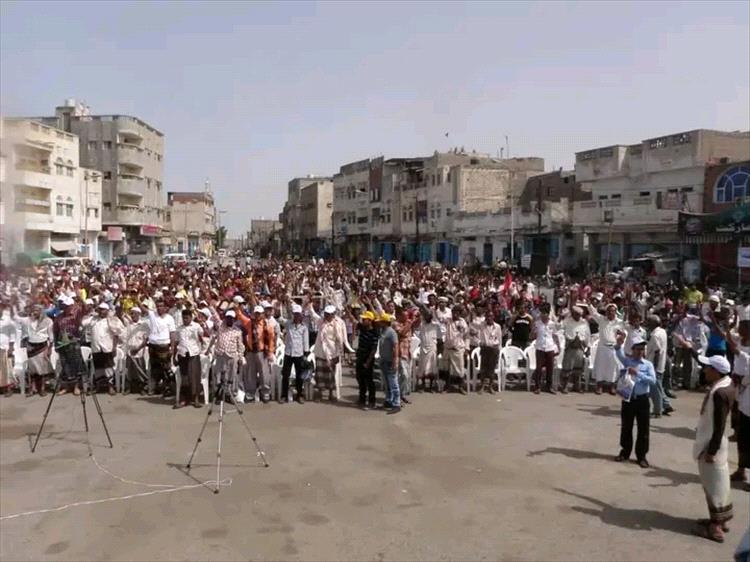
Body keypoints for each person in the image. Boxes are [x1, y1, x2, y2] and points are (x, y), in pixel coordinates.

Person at [692, 355, 736, 543]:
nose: (704, 370)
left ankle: (716, 527)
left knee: (714, 486)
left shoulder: (719, 393)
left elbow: (719, 427)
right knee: (720, 484)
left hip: (712, 445)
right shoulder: (726, 384)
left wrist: (711, 451)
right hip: (714, 443)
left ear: (716, 371)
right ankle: (719, 519)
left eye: (708, 368)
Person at [614, 333, 656, 468]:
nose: (639, 352)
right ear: (632, 350)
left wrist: (638, 374)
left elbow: (653, 381)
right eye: (637, 349)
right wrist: (619, 343)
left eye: (642, 349)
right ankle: (625, 452)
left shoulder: (648, 365)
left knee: (643, 429)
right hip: (629, 399)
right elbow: (619, 354)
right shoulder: (628, 361)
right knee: (626, 426)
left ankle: (641, 456)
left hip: (642, 400)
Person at [236, 304, 275, 403]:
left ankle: (265, 393)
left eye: (259, 314)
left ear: (262, 314)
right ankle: (250, 394)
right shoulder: (249, 323)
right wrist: (237, 307)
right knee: (250, 374)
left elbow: (271, 340)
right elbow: (240, 316)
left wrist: (270, 352)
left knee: (264, 374)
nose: (257, 316)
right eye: (256, 314)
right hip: (251, 352)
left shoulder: (267, 325)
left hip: (262, 353)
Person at [727, 320, 750, 489]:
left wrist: (742, 379)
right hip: (744, 402)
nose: (739, 330)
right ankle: (741, 470)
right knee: (743, 438)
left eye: (742, 328)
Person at [589, 302, 625, 395]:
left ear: (615, 312)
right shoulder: (601, 319)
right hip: (602, 347)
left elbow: (624, 333)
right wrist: (590, 304)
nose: (610, 313)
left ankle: (612, 387)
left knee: (613, 368)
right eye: (609, 311)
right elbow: (593, 313)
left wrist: (622, 335)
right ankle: (599, 386)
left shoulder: (620, 322)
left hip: (613, 348)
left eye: (612, 311)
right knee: (600, 367)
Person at [172, 308, 205, 408]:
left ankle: (196, 399)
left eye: (187, 318)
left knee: (194, 377)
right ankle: (184, 400)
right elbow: (176, 342)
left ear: (191, 317)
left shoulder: (196, 326)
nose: (185, 320)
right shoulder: (179, 329)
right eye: (183, 318)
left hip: (193, 354)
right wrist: (174, 356)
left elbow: (202, 336)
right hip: (182, 354)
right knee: (184, 377)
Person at [19, 303, 54, 396]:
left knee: (42, 369)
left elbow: (51, 336)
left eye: (37, 310)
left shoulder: (48, 321)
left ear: (41, 311)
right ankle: (32, 388)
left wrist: (49, 348)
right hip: (30, 346)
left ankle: (42, 388)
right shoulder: (27, 321)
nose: (35, 312)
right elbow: (24, 334)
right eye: (34, 310)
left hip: (42, 346)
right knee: (31, 369)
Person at [89, 303, 123, 395]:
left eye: (103, 309)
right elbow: (83, 323)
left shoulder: (112, 320)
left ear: (107, 311)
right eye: (100, 309)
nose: (101, 311)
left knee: (109, 367)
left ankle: (110, 387)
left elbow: (116, 334)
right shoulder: (93, 319)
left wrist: (114, 347)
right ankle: (98, 386)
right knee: (98, 368)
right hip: (96, 347)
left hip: (107, 347)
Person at [145, 300, 177, 397]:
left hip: (164, 345)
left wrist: (172, 348)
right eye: (157, 306)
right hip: (153, 345)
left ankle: (168, 388)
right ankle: (155, 388)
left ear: (165, 307)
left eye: (161, 306)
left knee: (166, 368)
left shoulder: (169, 319)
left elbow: (173, 334)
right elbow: (143, 309)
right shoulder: (153, 315)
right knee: (154, 368)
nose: (159, 308)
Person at [280, 303, 309, 404]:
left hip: (299, 354)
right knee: (285, 375)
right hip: (288, 353)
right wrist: (282, 303)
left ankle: (300, 395)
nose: (296, 316)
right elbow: (279, 318)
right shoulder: (288, 324)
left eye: (298, 314)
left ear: (301, 315)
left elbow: (305, 341)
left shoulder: (304, 327)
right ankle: (284, 396)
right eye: (295, 314)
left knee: (299, 375)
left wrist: (306, 354)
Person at [313, 305, 344, 402]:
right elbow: (312, 314)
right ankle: (320, 394)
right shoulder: (320, 322)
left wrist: (339, 354)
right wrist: (309, 304)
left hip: (332, 352)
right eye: (326, 314)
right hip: (320, 351)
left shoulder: (338, 325)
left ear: (333, 315)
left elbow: (340, 340)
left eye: (329, 315)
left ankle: (331, 393)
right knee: (320, 374)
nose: (327, 316)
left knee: (331, 374)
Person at [646, 314, 673, 418]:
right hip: (660, 365)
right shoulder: (662, 331)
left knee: (655, 391)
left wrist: (654, 367)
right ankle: (666, 405)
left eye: (648, 322)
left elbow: (657, 351)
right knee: (659, 387)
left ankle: (657, 411)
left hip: (655, 365)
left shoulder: (655, 335)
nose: (647, 324)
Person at [560, 305, 590, 394]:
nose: (577, 316)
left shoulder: (584, 323)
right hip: (570, 346)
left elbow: (588, 335)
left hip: (580, 347)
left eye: (579, 315)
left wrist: (588, 347)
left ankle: (576, 386)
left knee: (578, 369)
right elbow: (559, 328)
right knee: (567, 368)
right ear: (573, 313)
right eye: (575, 314)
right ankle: (564, 386)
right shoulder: (567, 321)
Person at [532, 303, 560, 395]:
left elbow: (555, 336)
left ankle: (549, 386)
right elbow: (532, 336)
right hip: (540, 347)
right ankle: (537, 386)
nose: (543, 315)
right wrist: (533, 330)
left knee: (550, 368)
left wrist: (558, 347)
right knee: (539, 368)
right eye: (542, 313)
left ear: (548, 314)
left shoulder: (552, 324)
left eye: (545, 313)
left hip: (549, 347)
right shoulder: (537, 323)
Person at [355, 310, 378, 409]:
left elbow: (373, 350)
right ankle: (362, 398)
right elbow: (352, 319)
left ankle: (372, 400)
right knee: (360, 378)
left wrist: (368, 362)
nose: (363, 320)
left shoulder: (374, 333)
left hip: (368, 359)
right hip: (360, 356)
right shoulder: (362, 328)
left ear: (370, 321)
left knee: (369, 380)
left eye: (365, 319)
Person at [378, 313, 400, 414]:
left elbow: (395, 346)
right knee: (387, 383)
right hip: (384, 360)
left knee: (393, 383)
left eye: (381, 321)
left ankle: (396, 403)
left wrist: (395, 360)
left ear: (385, 322)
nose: (379, 323)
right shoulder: (382, 331)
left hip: (390, 361)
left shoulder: (391, 332)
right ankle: (389, 400)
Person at [477, 309, 502, 394]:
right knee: (483, 369)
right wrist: (480, 343)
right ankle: (482, 386)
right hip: (485, 348)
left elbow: (499, 339)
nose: (489, 318)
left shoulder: (497, 326)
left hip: (494, 349)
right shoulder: (481, 325)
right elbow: (478, 336)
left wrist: (499, 350)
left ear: (493, 317)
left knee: (491, 369)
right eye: (487, 316)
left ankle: (490, 386)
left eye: (491, 316)